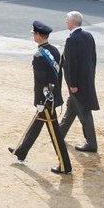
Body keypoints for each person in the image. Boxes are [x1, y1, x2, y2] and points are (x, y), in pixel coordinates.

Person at [9, 21, 71, 174]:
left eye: (34, 34)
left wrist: (40, 102)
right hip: (52, 96)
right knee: (37, 124)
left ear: (38, 35)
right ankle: (21, 151)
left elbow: (40, 82)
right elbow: (57, 76)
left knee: (55, 133)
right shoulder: (55, 50)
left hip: (45, 99)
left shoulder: (39, 55)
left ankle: (65, 165)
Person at [59, 10, 99, 153]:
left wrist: (73, 84)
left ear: (72, 22)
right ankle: (60, 133)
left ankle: (91, 143)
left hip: (77, 83)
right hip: (86, 80)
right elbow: (93, 59)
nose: (65, 21)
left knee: (83, 112)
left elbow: (71, 64)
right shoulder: (88, 35)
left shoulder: (72, 39)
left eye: (67, 19)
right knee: (72, 107)